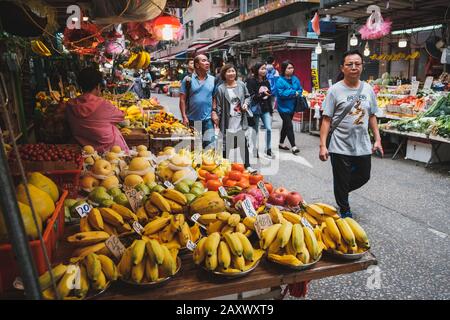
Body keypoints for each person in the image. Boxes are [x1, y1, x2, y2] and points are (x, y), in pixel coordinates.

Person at [319, 50, 383, 218]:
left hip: (362, 143)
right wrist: (323, 146)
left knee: (364, 175)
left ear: (362, 66)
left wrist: (377, 139)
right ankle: (345, 208)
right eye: (349, 64)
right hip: (339, 144)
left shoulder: (368, 89)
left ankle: (340, 189)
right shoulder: (334, 90)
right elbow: (326, 119)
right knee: (342, 179)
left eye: (357, 64)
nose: (354, 67)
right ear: (343, 67)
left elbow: (372, 115)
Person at [65, 67, 129, 153]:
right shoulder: (103, 104)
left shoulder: (70, 105)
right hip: (110, 151)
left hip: (86, 150)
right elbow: (121, 116)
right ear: (98, 86)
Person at [214, 64, 255, 173]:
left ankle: (247, 166)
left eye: (233, 71)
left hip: (240, 118)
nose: (231, 73)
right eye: (228, 71)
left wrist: (246, 104)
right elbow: (218, 105)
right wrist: (216, 117)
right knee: (226, 144)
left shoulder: (241, 85)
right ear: (224, 74)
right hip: (227, 120)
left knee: (243, 142)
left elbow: (247, 97)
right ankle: (224, 167)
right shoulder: (221, 89)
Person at [179, 54, 216, 149]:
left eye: (207, 60)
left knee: (210, 148)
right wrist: (184, 116)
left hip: (207, 120)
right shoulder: (188, 80)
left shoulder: (213, 80)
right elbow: (182, 99)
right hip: (191, 120)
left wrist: (214, 111)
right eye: (203, 61)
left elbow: (214, 97)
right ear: (197, 65)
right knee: (195, 149)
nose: (207, 63)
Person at [246, 62, 274, 159]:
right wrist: (263, 94)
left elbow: (269, 96)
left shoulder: (266, 81)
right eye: (262, 69)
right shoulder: (251, 81)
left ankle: (269, 149)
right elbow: (252, 96)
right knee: (255, 130)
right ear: (257, 70)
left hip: (265, 108)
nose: (264, 71)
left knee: (269, 128)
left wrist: (271, 110)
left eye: (265, 69)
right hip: (255, 109)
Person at [275, 60, 302, 154]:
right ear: (284, 69)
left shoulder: (295, 79)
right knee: (289, 125)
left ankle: (281, 143)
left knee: (285, 126)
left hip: (292, 106)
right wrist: (294, 93)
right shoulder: (280, 80)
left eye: (292, 67)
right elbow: (281, 94)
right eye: (289, 68)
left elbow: (300, 89)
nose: (291, 69)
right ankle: (294, 146)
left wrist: (297, 92)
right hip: (283, 108)